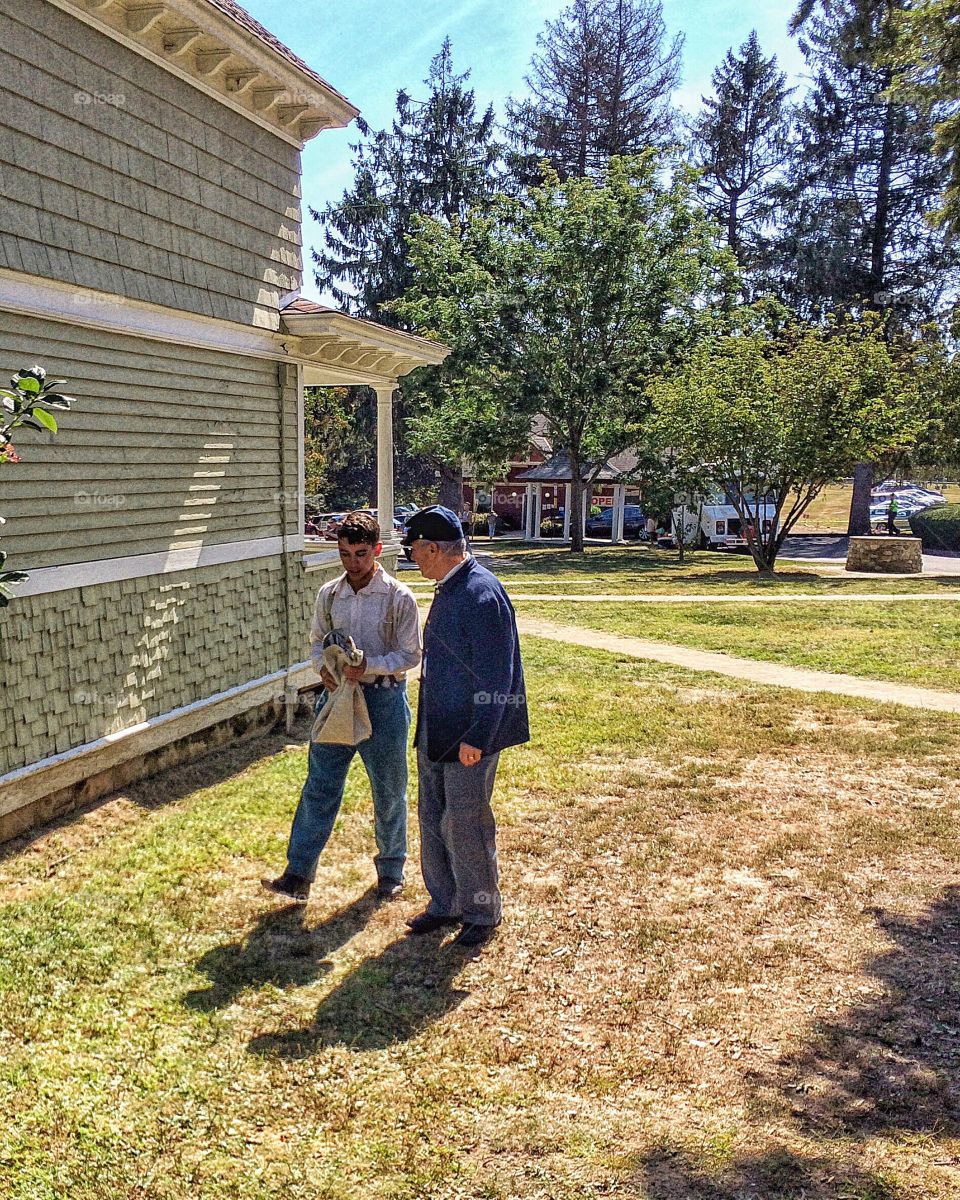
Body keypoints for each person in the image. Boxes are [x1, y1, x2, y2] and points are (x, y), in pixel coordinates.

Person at [262, 511, 422, 903]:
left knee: (388, 789)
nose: (353, 563)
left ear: (378, 551)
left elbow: (411, 654)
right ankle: (298, 873)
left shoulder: (398, 597)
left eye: (362, 554)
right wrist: (323, 670)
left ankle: (391, 870)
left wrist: (371, 666)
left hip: (382, 700)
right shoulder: (329, 594)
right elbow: (317, 641)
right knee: (320, 784)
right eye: (346, 554)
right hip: (335, 701)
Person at [402, 505, 529, 948]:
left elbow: (500, 677)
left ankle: (481, 909)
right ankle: (445, 903)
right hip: (437, 728)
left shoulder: (481, 593)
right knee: (433, 816)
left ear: (434, 548)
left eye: (414, 548)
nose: (411, 556)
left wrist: (478, 737)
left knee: (466, 823)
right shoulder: (450, 586)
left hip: (468, 737)